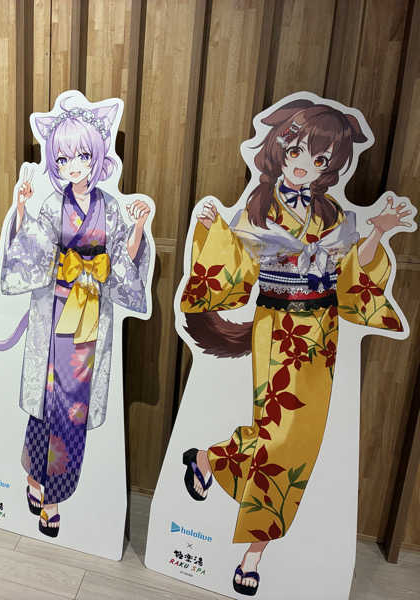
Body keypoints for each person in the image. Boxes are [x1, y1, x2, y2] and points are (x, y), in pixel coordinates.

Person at [179, 99, 414, 596]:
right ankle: (249, 542)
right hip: (278, 326)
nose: (305, 163)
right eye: (297, 150)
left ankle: (211, 466)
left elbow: (351, 272)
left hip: (322, 332)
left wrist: (378, 231)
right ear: (280, 149)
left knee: (302, 441)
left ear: (331, 166)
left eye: (320, 158)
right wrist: (211, 228)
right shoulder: (260, 206)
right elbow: (234, 260)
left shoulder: (331, 212)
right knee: (277, 436)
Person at [0, 97, 151, 536]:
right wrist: (20, 208)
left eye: (83, 156)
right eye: (64, 158)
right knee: (45, 399)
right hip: (54, 311)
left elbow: (123, 259)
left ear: (98, 156)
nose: (74, 166)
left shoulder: (110, 207)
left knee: (72, 406)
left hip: (90, 315)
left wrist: (139, 227)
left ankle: (52, 494)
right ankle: (36, 477)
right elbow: (30, 249)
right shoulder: (54, 205)